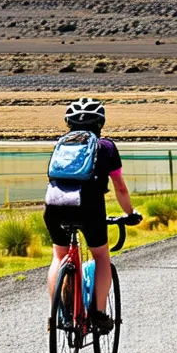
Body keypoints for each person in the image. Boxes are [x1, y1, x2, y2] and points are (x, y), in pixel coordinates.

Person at [44, 97, 140, 335]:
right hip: (88, 207)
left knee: (59, 255)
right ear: (100, 123)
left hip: (54, 205)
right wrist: (130, 213)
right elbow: (120, 188)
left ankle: (56, 313)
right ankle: (97, 314)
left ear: (69, 124)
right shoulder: (106, 147)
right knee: (101, 257)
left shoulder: (61, 145)